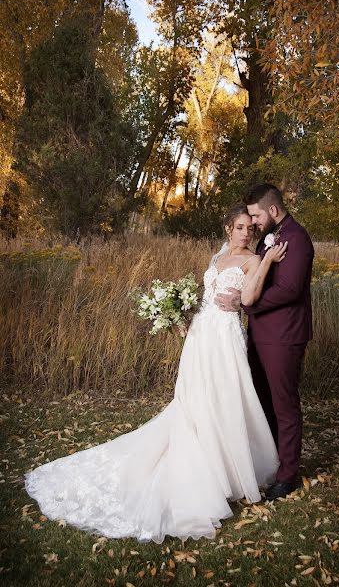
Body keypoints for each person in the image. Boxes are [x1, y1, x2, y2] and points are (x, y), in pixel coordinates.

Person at [25, 203, 287, 543]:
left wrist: (266, 262)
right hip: (200, 335)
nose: (246, 232)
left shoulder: (252, 260)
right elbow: (207, 297)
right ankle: (208, 461)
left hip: (225, 337)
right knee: (193, 400)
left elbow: (249, 298)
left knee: (224, 398)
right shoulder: (216, 258)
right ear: (228, 229)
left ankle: (225, 470)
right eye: (240, 227)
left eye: (250, 228)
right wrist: (183, 317)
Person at [215, 184, 314, 501]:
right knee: (263, 402)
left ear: (272, 210)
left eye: (256, 216)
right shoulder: (267, 241)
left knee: (284, 405)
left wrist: (244, 303)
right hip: (259, 335)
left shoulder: (297, 239)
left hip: (284, 337)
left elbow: (289, 290)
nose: (254, 223)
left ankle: (287, 476)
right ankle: (270, 462)